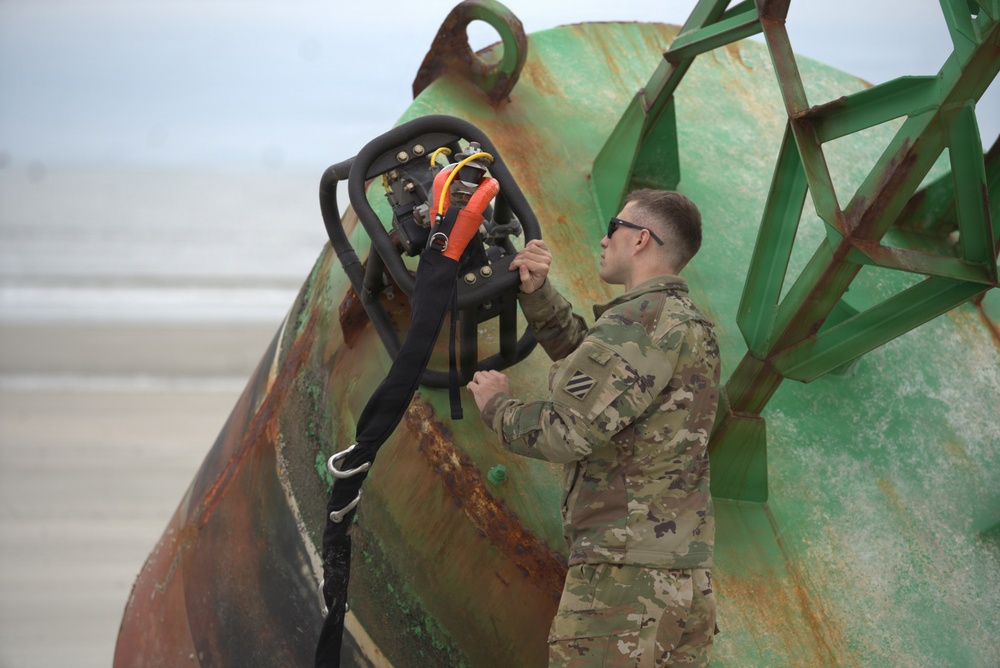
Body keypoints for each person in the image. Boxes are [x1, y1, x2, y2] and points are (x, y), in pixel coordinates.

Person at [467, 189, 722, 667]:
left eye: (613, 229)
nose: (604, 242)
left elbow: (568, 431)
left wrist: (496, 406)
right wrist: (537, 293)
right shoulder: (690, 325)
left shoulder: (639, 321)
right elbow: (608, 385)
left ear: (642, 239)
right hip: (686, 583)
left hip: (625, 587)